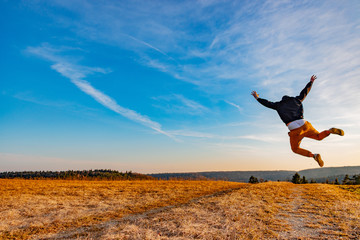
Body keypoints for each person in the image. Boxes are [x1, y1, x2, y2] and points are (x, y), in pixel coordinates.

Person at [251, 75, 344, 167]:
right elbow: (305, 92)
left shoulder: (278, 105)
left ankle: (314, 155)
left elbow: (267, 103)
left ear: (282, 100)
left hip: (295, 129)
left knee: (295, 149)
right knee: (319, 136)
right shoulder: (296, 100)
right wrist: (311, 82)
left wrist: (257, 98)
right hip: (305, 124)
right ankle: (329, 131)